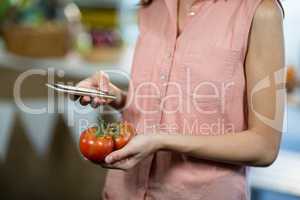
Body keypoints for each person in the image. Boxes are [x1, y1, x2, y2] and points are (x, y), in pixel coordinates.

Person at [72, 0, 285, 199]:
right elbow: (164, 104)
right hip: (123, 191)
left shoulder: (260, 10)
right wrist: (116, 97)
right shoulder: (151, 6)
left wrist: (162, 140)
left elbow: (264, 146)